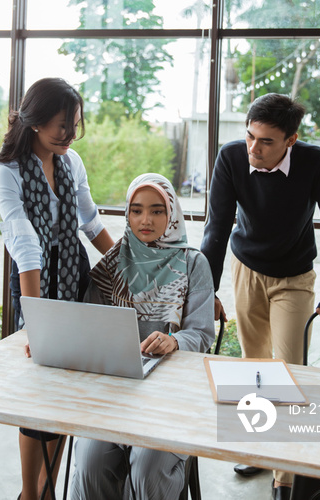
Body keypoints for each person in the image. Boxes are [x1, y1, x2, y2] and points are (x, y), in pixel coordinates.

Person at [200, 93, 320, 500]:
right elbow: (216, 227)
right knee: (256, 371)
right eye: (250, 136)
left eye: (266, 141)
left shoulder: (315, 162)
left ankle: (285, 479)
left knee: (287, 371)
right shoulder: (232, 158)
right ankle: (260, 448)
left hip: (294, 278)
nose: (254, 148)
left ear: (291, 140)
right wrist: (205, 291)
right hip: (246, 270)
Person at [0, 77, 114, 500]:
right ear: (35, 120)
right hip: (32, 280)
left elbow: (90, 223)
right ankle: (29, 493)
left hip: (72, 275)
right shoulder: (7, 171)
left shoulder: (71, 162)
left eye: (74, 125)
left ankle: (48, 489)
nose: (69, 134)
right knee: (37, 391)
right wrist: (36, 321)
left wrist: (126, 270)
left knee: (66, 388)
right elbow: (23, 240)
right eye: (61, 125)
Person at [70, 172, 215, 500]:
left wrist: (175, 341)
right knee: (91, 464)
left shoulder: (193, 263)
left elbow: (203, 332)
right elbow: (88, 327)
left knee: (148, 469)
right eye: (136, 210)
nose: (145, 219)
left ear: (172, 214)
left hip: (173, 396)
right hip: (115, 394)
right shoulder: (110, 266)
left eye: (156, 210)